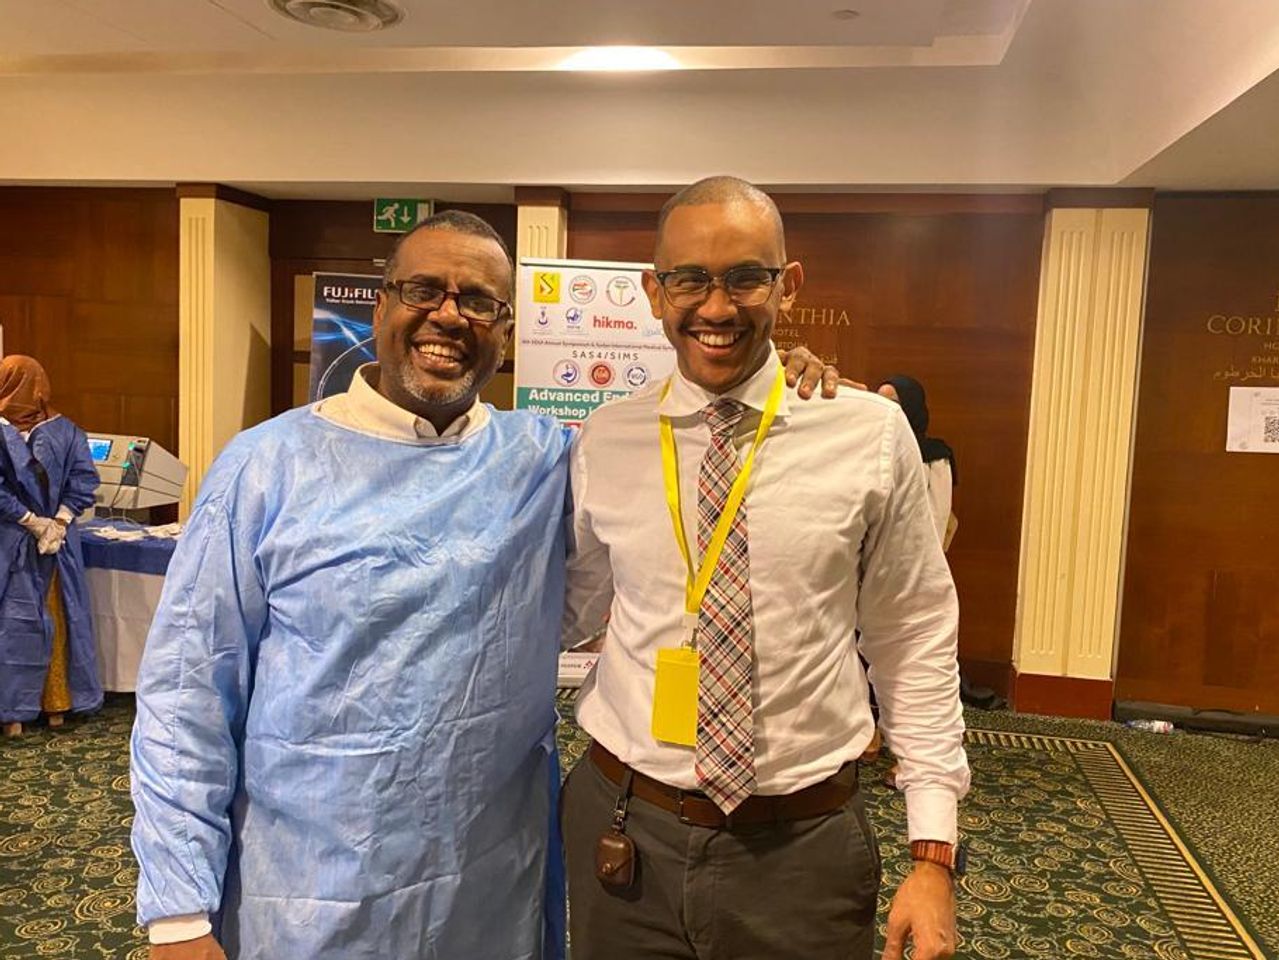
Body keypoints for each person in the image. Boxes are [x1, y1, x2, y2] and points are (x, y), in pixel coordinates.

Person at [129, 209, 837, 960]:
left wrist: (779, 384)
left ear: (504, 330)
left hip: (489, 885)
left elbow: (684, 453)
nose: (448, 316)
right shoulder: (264, 468)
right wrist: (179, 915)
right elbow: (186, 694)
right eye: (423, 290)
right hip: (313, 890)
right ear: (382, 305)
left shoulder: (541, 457)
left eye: (478, 301)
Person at [561, 176, 970, 960]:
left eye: (745, 278)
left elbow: (913, 635)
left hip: (801, 846)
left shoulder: (868, 433)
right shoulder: (605, 438)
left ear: (788, 285)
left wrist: (932, 853)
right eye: (689, 279)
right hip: (624, 831)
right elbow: (568, 606)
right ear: (653, 291)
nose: (716, 308)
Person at [0, 355, 102, 739]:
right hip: (49, 544)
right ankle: (55, 706)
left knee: (17, 623)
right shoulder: (68, 432)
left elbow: (81, 480)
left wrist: (45, 521)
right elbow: (84, 481)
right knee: (53, 617)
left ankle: (15, 713)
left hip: (20, 543)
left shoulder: (60, 432)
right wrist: (55, 520)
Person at [877, 376, 958, 549]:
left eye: (893, 404)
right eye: (879, 403)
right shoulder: (872, 448)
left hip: (915, 552)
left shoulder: (933, 455)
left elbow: (938, 516)